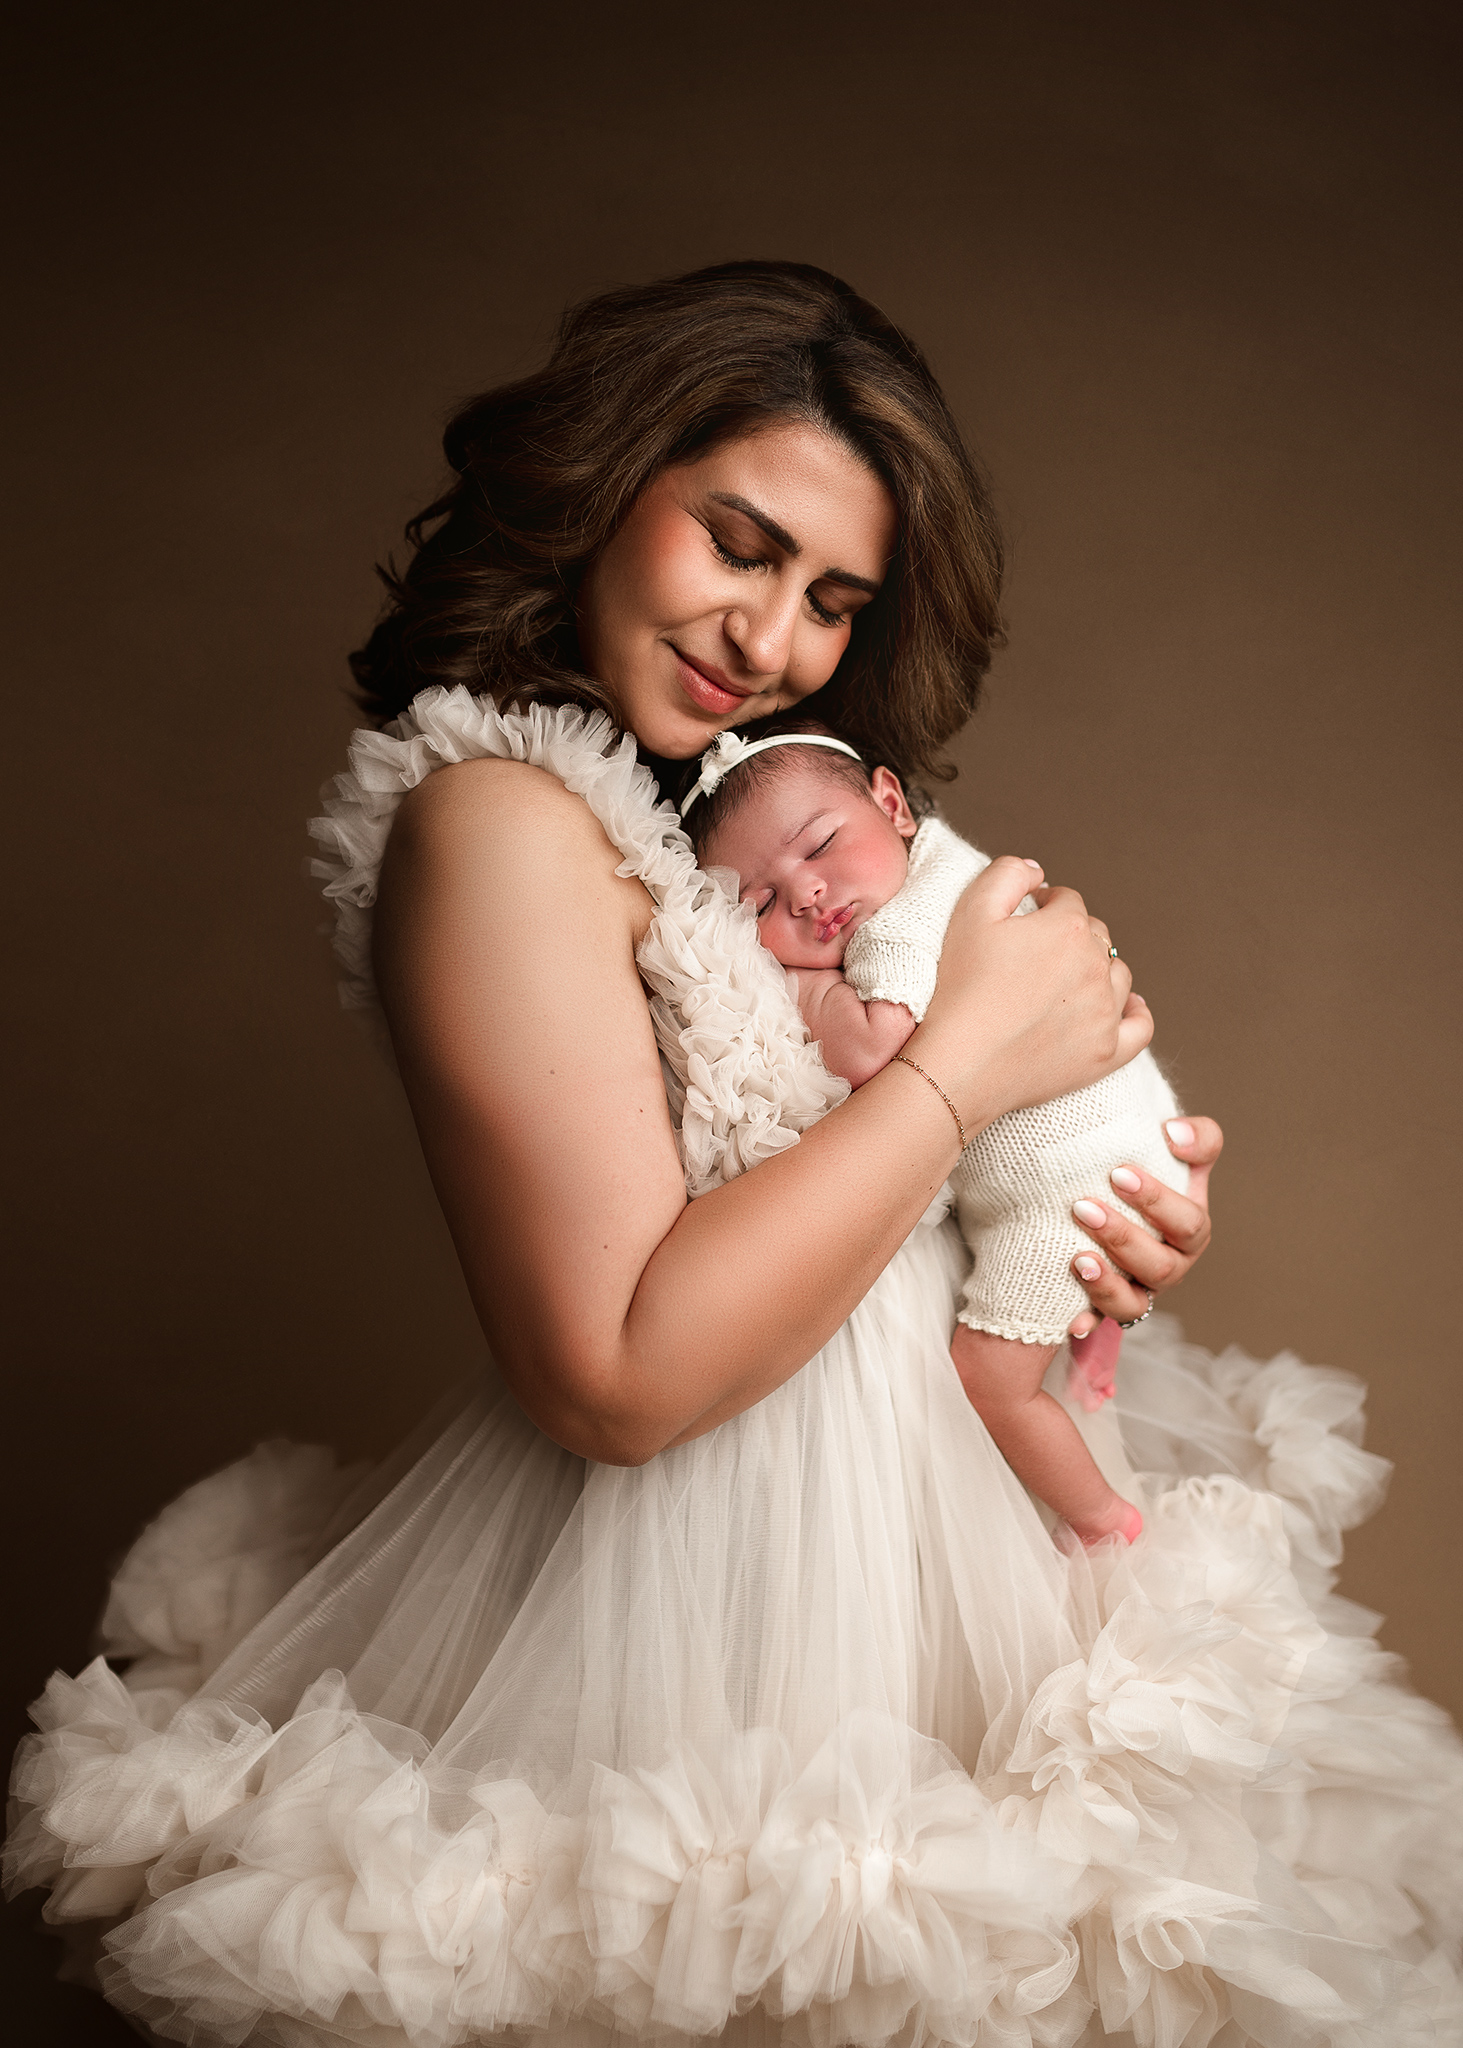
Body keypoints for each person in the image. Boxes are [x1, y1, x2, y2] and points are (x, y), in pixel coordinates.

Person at [7, 262, 1462, 2048]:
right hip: (718, 1595)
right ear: (608, 482)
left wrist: (1087, 1198)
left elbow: (873, 1164)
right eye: (737, 541)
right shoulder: (493, 817)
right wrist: (963, 1058)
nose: (769, 635)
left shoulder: (720, 814)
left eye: (831, 597)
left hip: (947, 1528)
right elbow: (615, 1373)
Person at [681, 719, 1186, 1547]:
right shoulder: (948, 863)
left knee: (990, 1379)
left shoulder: (904, 926)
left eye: (820, 846)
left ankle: (1103, 1522)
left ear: (891, 801)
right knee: (1071, 1305)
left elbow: (875, 1047)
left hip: (1078, 1188)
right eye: (761, 903)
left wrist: (804, 995)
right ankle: (1094, 1360)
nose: (806, 894)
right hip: (1135, 1132)